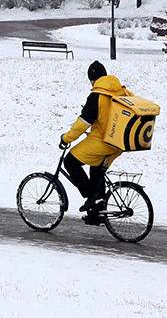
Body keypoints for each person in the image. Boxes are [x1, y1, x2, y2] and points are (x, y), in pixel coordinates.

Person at [59, 61, 135, 225]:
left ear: (92, 79)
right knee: (96, 170)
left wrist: (67, 138)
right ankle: (97, 214)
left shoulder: (97, 95)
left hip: (104, 141)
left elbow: (82, 123)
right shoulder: (121, 90)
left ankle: (92, 198)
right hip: (120, 142)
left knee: (70, 162)